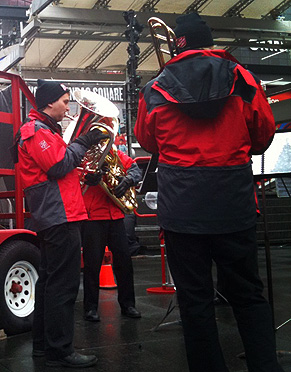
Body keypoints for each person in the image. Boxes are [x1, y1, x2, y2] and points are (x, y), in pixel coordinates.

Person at [134, 12, 283, 372]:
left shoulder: (155, 89)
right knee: (248, 294)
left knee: (195, 301)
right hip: (233, 203)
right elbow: (263, 135)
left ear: (177, 44)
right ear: (208, 42)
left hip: (182, 210)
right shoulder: (242, 78)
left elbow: (147, 140)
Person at [14, 79, 108, 368]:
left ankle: (45, 346)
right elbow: (57, 166)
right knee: (62, 287)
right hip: (60, 216)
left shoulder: (41, 130)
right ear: (49, 102)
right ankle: (60, 349)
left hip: (57, 215)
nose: (69, 107)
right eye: (65, 101)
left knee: (49, 284)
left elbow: (57, 170)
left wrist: (84, 172)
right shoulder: (35, 130)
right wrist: (83, 141)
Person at [81, 149, 142, 322]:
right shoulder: (85, 157)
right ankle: (90, 308)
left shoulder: (115, 154)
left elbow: (135, 169)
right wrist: (87, 178)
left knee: (124, 261)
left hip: (115, 215)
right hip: (93, 217)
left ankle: (128, 304)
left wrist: (129, 179)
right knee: (92, 265)